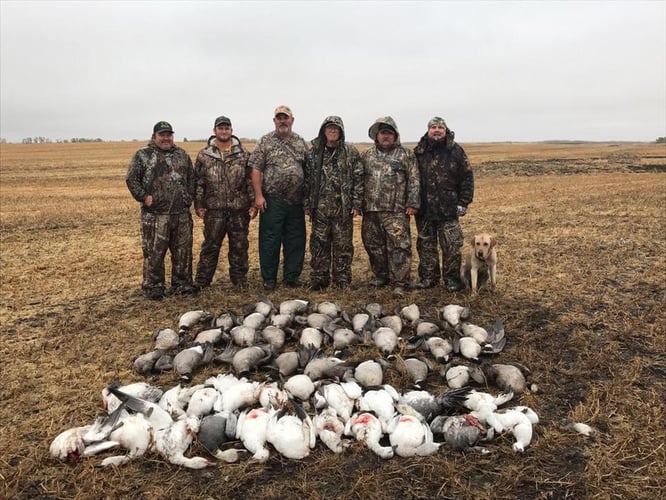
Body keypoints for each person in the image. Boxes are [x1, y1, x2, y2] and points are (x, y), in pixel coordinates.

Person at [126, 121, 195, 300]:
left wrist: (189, 197)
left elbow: (192, 179)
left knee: (183, 251)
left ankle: (182, 285)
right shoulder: (143, 155)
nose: (166, 138)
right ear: (154, 136)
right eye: (162, 135)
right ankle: (154, 287)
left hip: (181, 214)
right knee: (154, 252)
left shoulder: (182, 154)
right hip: (156, 215)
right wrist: (144, 197)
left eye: (169, 135)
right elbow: (132, 179)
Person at [193, 116, 256, 291]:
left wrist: (253, 204)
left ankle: (240, 280)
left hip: (239, 209)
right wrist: (199, 204)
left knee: (239, 247)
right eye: (220, 128)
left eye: (227, 128)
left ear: (231, 130)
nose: (224, 131)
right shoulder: (204, 155)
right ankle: (202, 281)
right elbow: (199, 182)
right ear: (214, 131)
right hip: (214, 210)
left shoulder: (243, 154)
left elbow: (250, 181)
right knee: (210, 246)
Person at [249, 105, 309, 291]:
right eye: (279, 118)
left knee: (296, 240)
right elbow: (256, 169)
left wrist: (307, 200)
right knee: (270, 240)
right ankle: (269, 278)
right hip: (272, 200)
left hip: (296, 202)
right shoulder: (265, 142)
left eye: (286, 117)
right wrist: (258, 196)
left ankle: (292, 277)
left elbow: (308, 171)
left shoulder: (301, 143)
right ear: (274, 120)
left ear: (292, 120)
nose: (283, 121)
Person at [361, 116, 420, 296]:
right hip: (371, 209)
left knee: (399, 246)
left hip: (396, 210)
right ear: (376, 135)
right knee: (373, 245)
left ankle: (400, 281)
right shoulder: (367, 155)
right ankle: (381, 276)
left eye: (389, 133)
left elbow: (415, 180)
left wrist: (413, 202)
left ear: (395, 135)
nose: (385, 136)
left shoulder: (406, 155)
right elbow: (358, 180)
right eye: (382, 133)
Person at [413, 116, 474, 291]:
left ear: (446, 130)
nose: (437, 130)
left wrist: (463, 202)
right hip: (424, 210)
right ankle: (428, 278)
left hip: (448, 209)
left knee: (452, 246)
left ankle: (452, 280)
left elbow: (467, 177)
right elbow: (412, 179)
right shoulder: (420, 150)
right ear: (428, 130)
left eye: (440, 127)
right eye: (433, 127)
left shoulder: (455, 151)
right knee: (426, 246)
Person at [304, 116, 363, 290]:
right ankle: (319, 279)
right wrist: (307, 204)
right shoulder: (313, 152)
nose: (332, 131)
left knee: (343, 245)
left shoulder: (351, 152)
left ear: (341, 132)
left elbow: (358, 178)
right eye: (329, 128)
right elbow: (307, 180)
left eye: (336, 129)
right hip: (320, 208)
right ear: (323, 131)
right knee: (319, 244)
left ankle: (342, 279)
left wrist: (356, 203)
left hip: (343, 209)